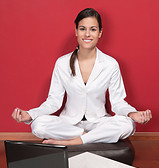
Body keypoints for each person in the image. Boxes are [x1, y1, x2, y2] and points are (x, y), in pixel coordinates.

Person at [12, 8, 152, 145]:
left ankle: (77, 141)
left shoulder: (111, 64)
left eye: (93, 29)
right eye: (82, 29)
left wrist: (132, 114)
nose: (87, 34)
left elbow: (118, 102)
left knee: (127, 125)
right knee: (38, 124)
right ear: (76, 32)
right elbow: (53, 101)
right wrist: (30, 114)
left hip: (98, 122)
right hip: (69, 124)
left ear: (100, 33)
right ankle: (87, 138)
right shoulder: (62, 63)